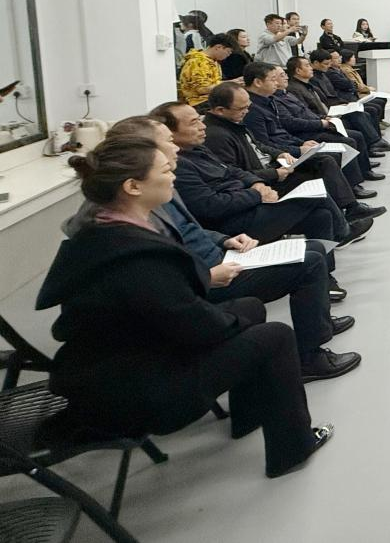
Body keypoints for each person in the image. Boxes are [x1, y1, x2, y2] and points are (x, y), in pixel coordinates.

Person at [37, 137, 333, 478]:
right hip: (139, 393)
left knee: (250, 306)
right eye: (165, 171)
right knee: (276, 336)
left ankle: (249, 415)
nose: (173, 176)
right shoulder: (137, 256)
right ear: (133, 186)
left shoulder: (101, 232)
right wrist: (230, 317)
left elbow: (172, 311)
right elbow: (198, 327)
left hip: (113, 367)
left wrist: (232, 314)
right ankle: (293, 449)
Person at [100, 116, 360, 379]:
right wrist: (206, 275)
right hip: (209, 274)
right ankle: (310, 357)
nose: (175, 146)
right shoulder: (138, 208)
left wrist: (223, 239)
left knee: (314, 241)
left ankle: (318, 321)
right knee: (310, 260)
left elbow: (191, 227)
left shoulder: (164, 180)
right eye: (168, 141)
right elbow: (169, 261)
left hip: (220, 252)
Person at [160, 102, 351, 246]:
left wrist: (256, 183)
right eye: (193, 123)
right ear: (169, 133)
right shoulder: (179, 164)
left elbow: (232, 170)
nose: (202, 127)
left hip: (248, 199)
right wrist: (257, 193)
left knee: (321, 216)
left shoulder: (197, 148)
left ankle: (326, 273)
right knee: (316, 195)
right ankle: (345, 232)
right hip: (233, 220)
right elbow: (210, 206)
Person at [236, 65, 384, 215]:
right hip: (281, 154)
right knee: (328, 158)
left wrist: (301, 144)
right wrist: (297, 149)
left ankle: (349, 200)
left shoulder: (269, 100)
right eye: (273, 79)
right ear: (258, 82)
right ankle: (350, 205)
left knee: (341, 145)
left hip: (290, 143)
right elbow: (265, 142)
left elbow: (282, 131)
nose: (277, 82)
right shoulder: (253, 110)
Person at [335, 50, 390, 128]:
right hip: (358, 93)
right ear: (347, 59)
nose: (355, 59)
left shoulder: (349, 68)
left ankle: (380, 120)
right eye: (353, 57)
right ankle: (377, 122)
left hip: (361, 91)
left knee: (382, 99)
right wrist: (368, 89)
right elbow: (356, 85)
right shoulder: (346, 70)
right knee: (378, 102)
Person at [178, 33, 233, 107]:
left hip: (210, 99)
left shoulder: (213, 62)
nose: (228, 55)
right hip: (198, 102)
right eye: (228, 51)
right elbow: (202, 89)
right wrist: (230, 83)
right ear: (218, 47)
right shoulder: (198, 62)